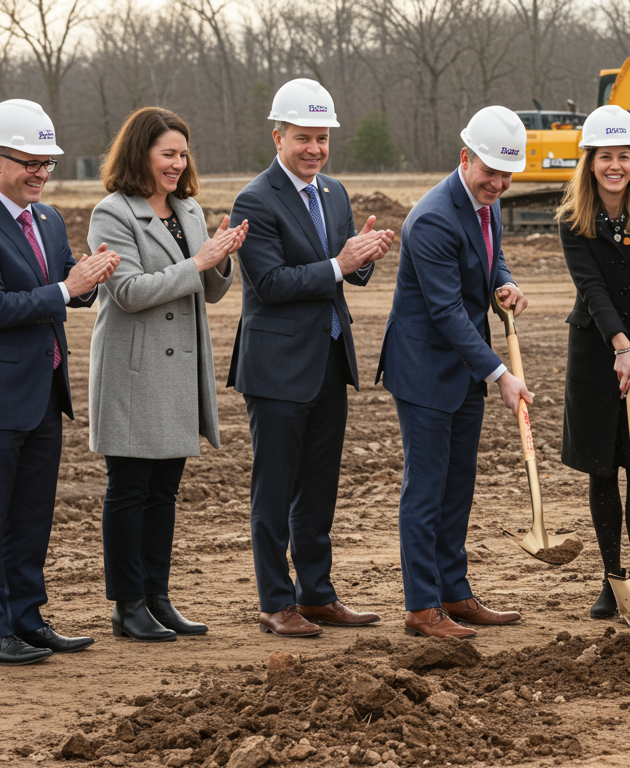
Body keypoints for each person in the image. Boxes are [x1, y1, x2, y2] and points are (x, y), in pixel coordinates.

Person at [0, 100, 119, 665]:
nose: (42, 173)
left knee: (29, 521)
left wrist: (92, 278)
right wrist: (70, 288)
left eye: (47, 162)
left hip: (43, 396)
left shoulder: (46, 220)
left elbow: (65, 282)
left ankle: (27, 620)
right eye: (30, 162)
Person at [228, 79, 394, 637]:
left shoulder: (335, 193)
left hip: (326, 358)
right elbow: (270, 283)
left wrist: (365, 255)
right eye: (304, 138)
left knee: (319, 486)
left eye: (322, 139)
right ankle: (276, 601)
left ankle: (316, 594)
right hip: (276, 367)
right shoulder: (254, 199)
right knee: (275, 489)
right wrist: (340, 263)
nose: (315, 150)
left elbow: (343, 268)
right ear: (278, 136)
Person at [87, 107, 246, 642]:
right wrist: (198, 263)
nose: (178, 163)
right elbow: (128, 292)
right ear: (141, 154)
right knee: (129, 489)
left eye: (182, 153)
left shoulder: (190, 211)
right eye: (167, 154)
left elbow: (210, 289)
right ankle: (127, 605)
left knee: (164, 491)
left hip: (179, 371)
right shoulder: (113, 213)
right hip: (133, 370)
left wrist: (222, 258)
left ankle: (158, 597)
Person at [377, 106, 531, 638]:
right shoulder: (434, 218)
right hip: (425, 368)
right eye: (489, 171)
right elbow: (444, 312)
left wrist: (502, 284)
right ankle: (422, 606)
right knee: (426, 489)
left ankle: (454, 593)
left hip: (463, 369)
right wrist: (500, 374)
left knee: (457, 485)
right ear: (465, 158)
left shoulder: (486, 206)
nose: (499, 183)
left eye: (507, 175)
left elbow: (492, 259)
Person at [553, 105, 630, 619]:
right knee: (602, 468)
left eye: (623, 156)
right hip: (595, 354)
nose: (614, 166)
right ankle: (612, 578)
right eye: (605, 157)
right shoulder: (571, 222)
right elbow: (594, 290)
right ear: (591, 162)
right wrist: (620, 348)